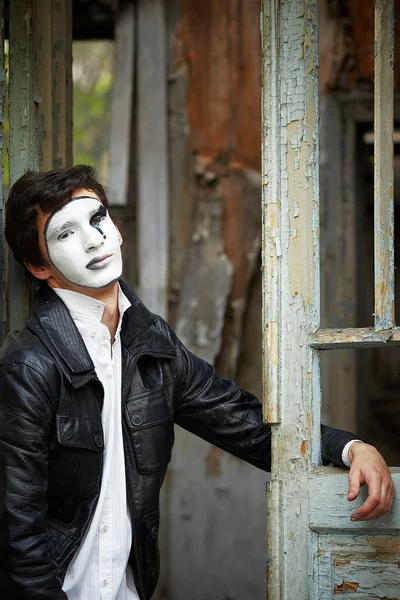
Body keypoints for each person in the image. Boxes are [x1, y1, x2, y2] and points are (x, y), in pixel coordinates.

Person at [0, 166, 394, 600]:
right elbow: (19, 536)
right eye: (64, 234)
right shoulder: (29, 365)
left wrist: (350, 447)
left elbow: (242, 422)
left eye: (97, 219)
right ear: (38, 266)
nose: (94, 239)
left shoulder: (150, 343)